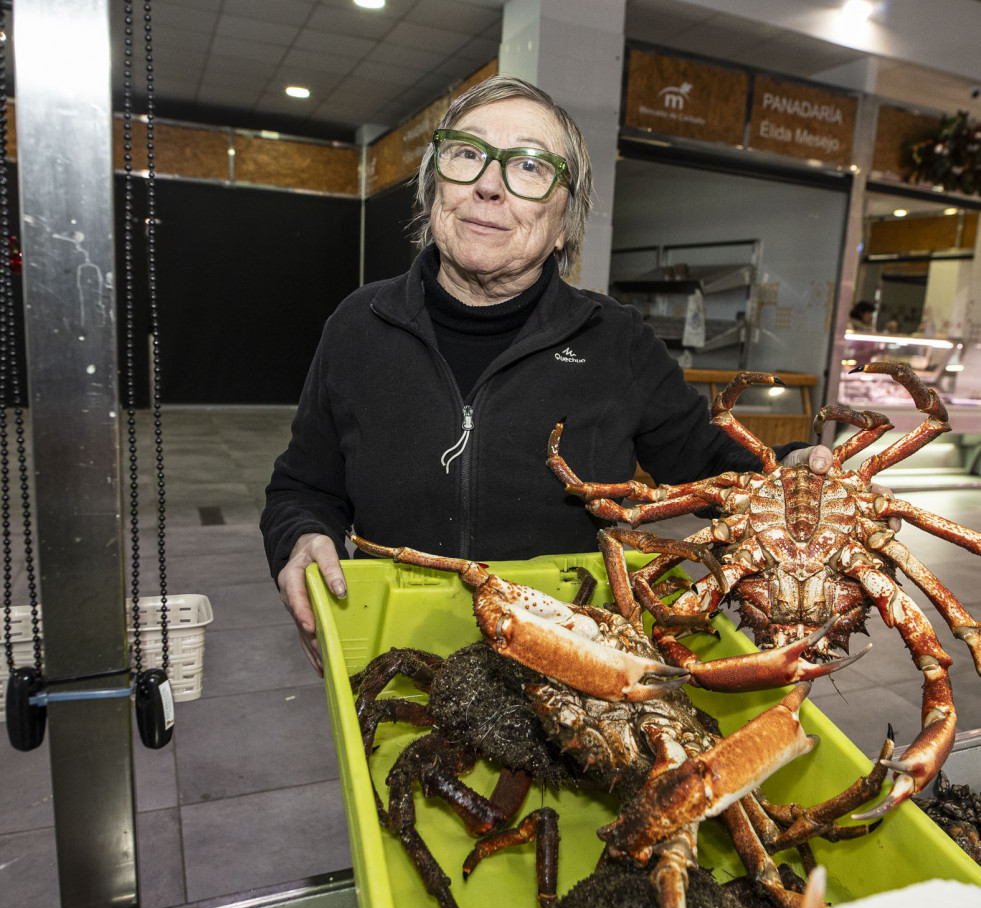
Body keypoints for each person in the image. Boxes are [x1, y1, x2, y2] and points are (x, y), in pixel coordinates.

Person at [260, 76, 830, 676]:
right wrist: (299, 537)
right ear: (434, 190)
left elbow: (710, 466)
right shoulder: (359, 325)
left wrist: (788, 477)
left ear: (564, 224)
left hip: (570, 658)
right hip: (397, 648)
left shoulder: (616, 341)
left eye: (529, 167)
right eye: (467, 154)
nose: (487, 185)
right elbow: (304, 486)